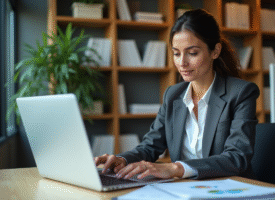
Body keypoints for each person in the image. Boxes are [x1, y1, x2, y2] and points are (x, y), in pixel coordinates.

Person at [95, 9, 260, 180]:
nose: (182, 63)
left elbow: (236, 158)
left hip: (230, 188)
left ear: (215, 51)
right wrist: (122, 159)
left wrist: (176, 168)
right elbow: (150, 146)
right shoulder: (173, 95)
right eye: (176, 53)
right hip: (186, 189)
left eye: (192, 53)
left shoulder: (241, 93)